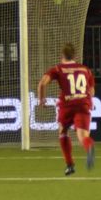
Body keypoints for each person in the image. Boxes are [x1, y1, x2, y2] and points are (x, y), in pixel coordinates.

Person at [36, 43, 96, 176]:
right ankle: (89, 146)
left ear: (62, 55)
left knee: (63, 132)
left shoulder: (58, 69)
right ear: (74, 56)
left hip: (67, 105)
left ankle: (69, 165)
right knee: (83, 137)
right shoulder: (85, 69)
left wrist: (41, 99)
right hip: (83, 104)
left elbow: (42, 83)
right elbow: (91, 91)